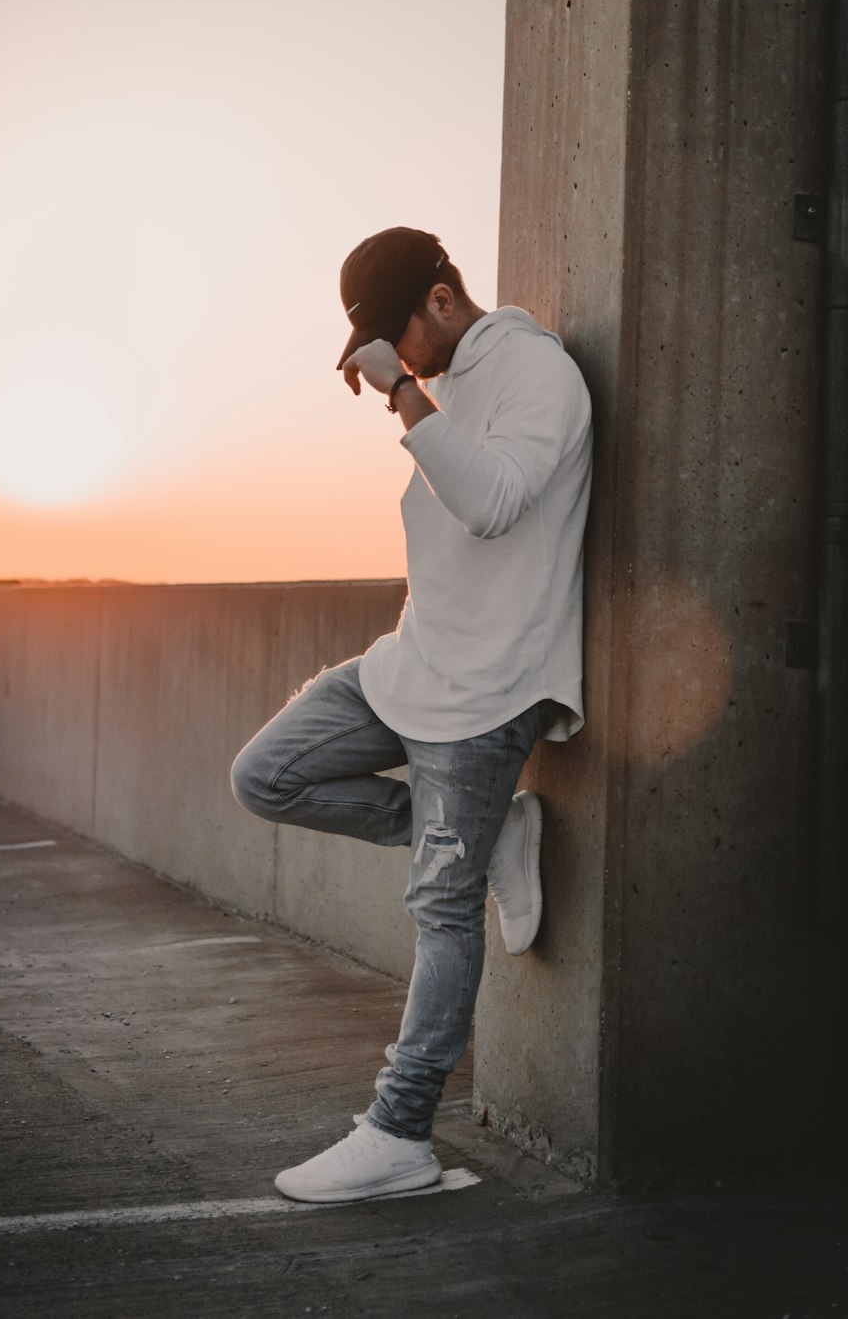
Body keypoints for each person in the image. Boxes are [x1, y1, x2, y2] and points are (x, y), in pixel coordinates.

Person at [231, 226, 592, 1203]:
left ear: (441, 299)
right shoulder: (452, 384)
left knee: (440, 909)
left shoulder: (537, 374)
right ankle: (489, 837)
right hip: (411, 665)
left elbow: (493, 505)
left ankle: (400, 1137)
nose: (399, 361)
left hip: (486, 695)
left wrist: (403, 394)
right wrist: (411, 389)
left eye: (398, 337)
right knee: (265, 776)